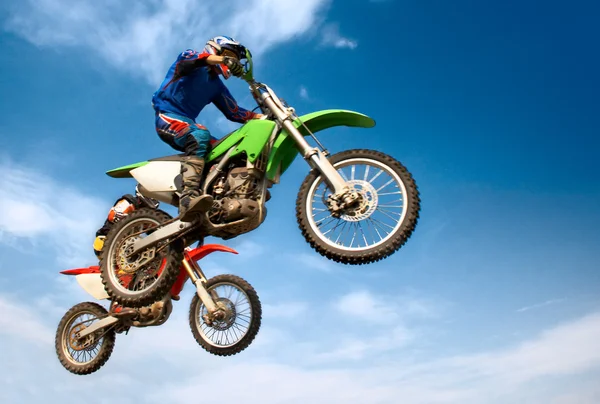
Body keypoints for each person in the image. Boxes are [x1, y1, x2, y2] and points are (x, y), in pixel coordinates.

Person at [151, 35, 264, 223]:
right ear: (215, 49)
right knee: (199, 134)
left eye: (235, 59)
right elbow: (192, 60)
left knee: (228, 150)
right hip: (167, 116)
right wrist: (223, 60)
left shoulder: (217, 87)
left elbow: (234, 112)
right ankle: (188, 197)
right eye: (229, 55)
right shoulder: (189, 57)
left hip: (187, 122)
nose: (232, 62)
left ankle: (216, 196)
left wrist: (260, 116)